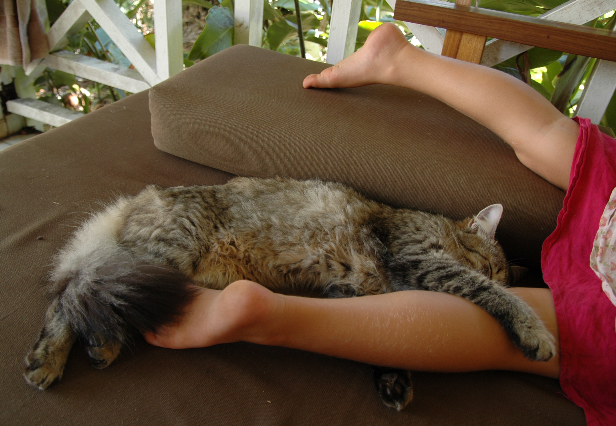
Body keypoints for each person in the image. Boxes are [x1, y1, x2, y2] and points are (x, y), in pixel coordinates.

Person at [144, 23, 616, 425]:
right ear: (473, 230)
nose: (484, 276)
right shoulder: (442, 233)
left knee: (553, 140)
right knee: (549, 326)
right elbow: (424, 266)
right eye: (489, 269)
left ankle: (403, 59)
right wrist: (498, 295)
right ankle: (400, 59)